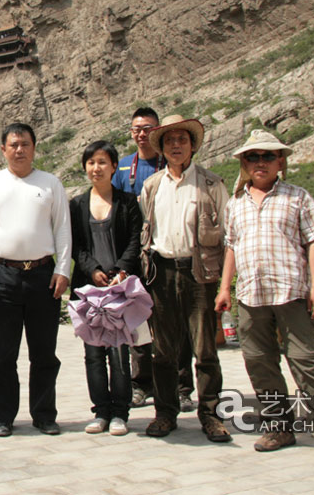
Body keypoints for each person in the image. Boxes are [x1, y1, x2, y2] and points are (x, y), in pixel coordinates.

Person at [215, 130, 314, 470]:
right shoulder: (235, 204)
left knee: (308, 365)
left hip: (291, 293)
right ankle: (279, 428)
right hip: (250, 295)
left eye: (268, 156)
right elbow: (231, 246)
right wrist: (224, 289)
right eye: (252, 157)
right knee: (260, 365)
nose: (260, 163)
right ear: (244, 164)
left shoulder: (297, 197)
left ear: (281, 161)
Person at [0, 122, 72, 437]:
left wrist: (63, 269)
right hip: (3, 276)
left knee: (44, 352)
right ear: (3, 149)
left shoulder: (51, 183)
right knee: (4, 354)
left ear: (34, 147)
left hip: (43, 275)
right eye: (13, 144)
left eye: (25, 144)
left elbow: (62, 228)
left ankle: (44, 414)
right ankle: (3, 416)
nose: (19, 150)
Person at [139, 115, 231, 442]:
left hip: (199, 274)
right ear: (161, 148)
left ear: (193, 145)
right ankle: (165, 413)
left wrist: (225, 284)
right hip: (161, 273)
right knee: (162, 350)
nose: (176, 146)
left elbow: (229, 237)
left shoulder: (211, 184)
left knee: (204, 350)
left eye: (182, 140)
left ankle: (210, 416)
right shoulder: (151, 187)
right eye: (169, 141)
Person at [113, 107, 195, 412]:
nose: (141, 133)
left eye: (147, 128)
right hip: (137, 256)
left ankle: (182, 386)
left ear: (157, 130)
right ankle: (141, 383)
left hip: (167, 254)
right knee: (138, 323)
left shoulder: (174, 163)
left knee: (178, 323)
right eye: (136, 128)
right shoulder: (122, 167)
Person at [70, 141, 142, 437]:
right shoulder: (76, 204)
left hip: (120, 289)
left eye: (102, 162)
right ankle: (100, 410)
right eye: (91, 162)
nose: (96, 168)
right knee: (94, 352)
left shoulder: (127, 202)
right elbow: (76, 245)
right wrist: (94, 271)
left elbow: (135, 240)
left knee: (119, 351)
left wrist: (120, 270)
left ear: (114, 166)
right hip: (90, 289)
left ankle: (120, 412)